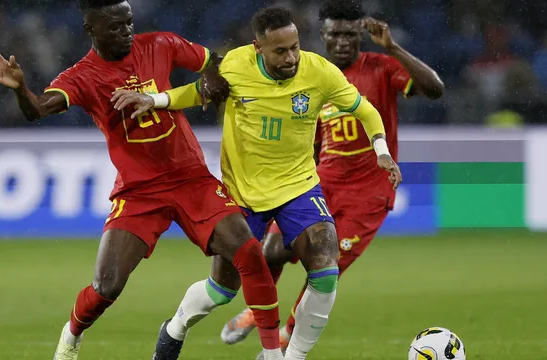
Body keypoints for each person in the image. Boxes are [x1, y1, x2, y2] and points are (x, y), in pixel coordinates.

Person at [0, 1, 285, 360]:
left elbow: (216, 60)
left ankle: (274, 355)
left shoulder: (159, 44)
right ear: (92, 30)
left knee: (250, 253)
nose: (127, 31)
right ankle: (71, 335)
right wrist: (19, 89)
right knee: (106, 287)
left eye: (129, 23)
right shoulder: (82, 76)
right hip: (140, 191)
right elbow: (38, 109)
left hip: (191, 178)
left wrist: (213, 74)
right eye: (116, 26)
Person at [110, 6, 403, 360]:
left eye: (294, 46)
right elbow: (197, 92)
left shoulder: (318, 71)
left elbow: (365, 109)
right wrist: (155, 99)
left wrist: (381, 150)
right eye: (280, 51)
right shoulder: (236, 65)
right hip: (243, 194)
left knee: (325, 270)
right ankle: (176, 326)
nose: (291, 56)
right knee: (221, 290)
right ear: (258, 48)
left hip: (298, 186)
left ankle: (289, 357)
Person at [219, 0, 445, 354]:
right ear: (321, 35)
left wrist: (392, 46)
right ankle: (258, 311)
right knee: (273, 250)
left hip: (368, 195)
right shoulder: (312, 74)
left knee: (325, 268)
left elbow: (435, 89)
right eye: (334, 34)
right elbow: (309, 138)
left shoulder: (382, 67)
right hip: (319, 182)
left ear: (360, 36)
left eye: (350, 35)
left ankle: (285, 338)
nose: (342, 42)